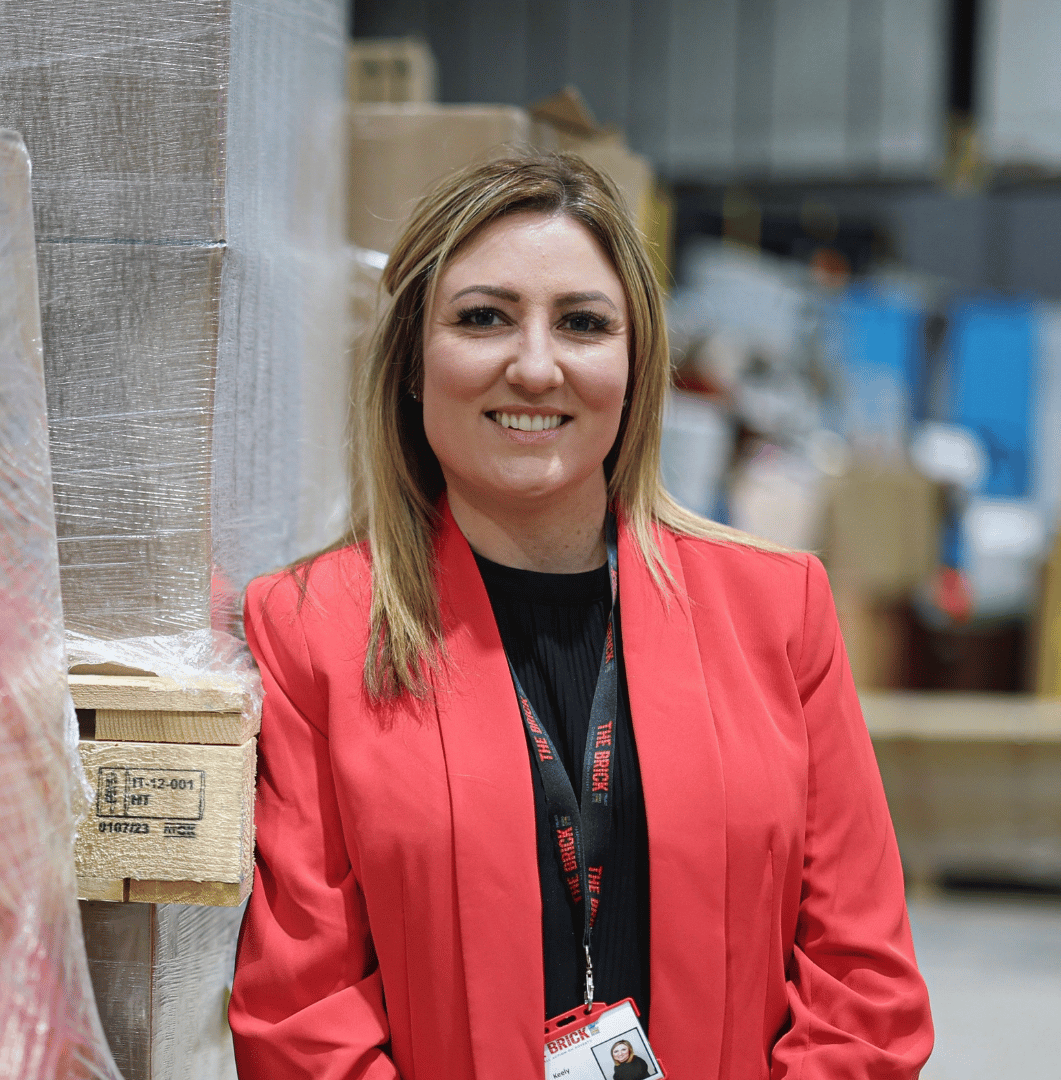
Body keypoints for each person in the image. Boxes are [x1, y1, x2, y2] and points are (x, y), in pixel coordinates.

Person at [228, 152, 934, 1079]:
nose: (535, 366)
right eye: (483, 317)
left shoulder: (777, 610)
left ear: (636, 367)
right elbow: (302, 1017)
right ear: (410, 363)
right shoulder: (312, 630)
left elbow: (864, 987)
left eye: (583, 323)